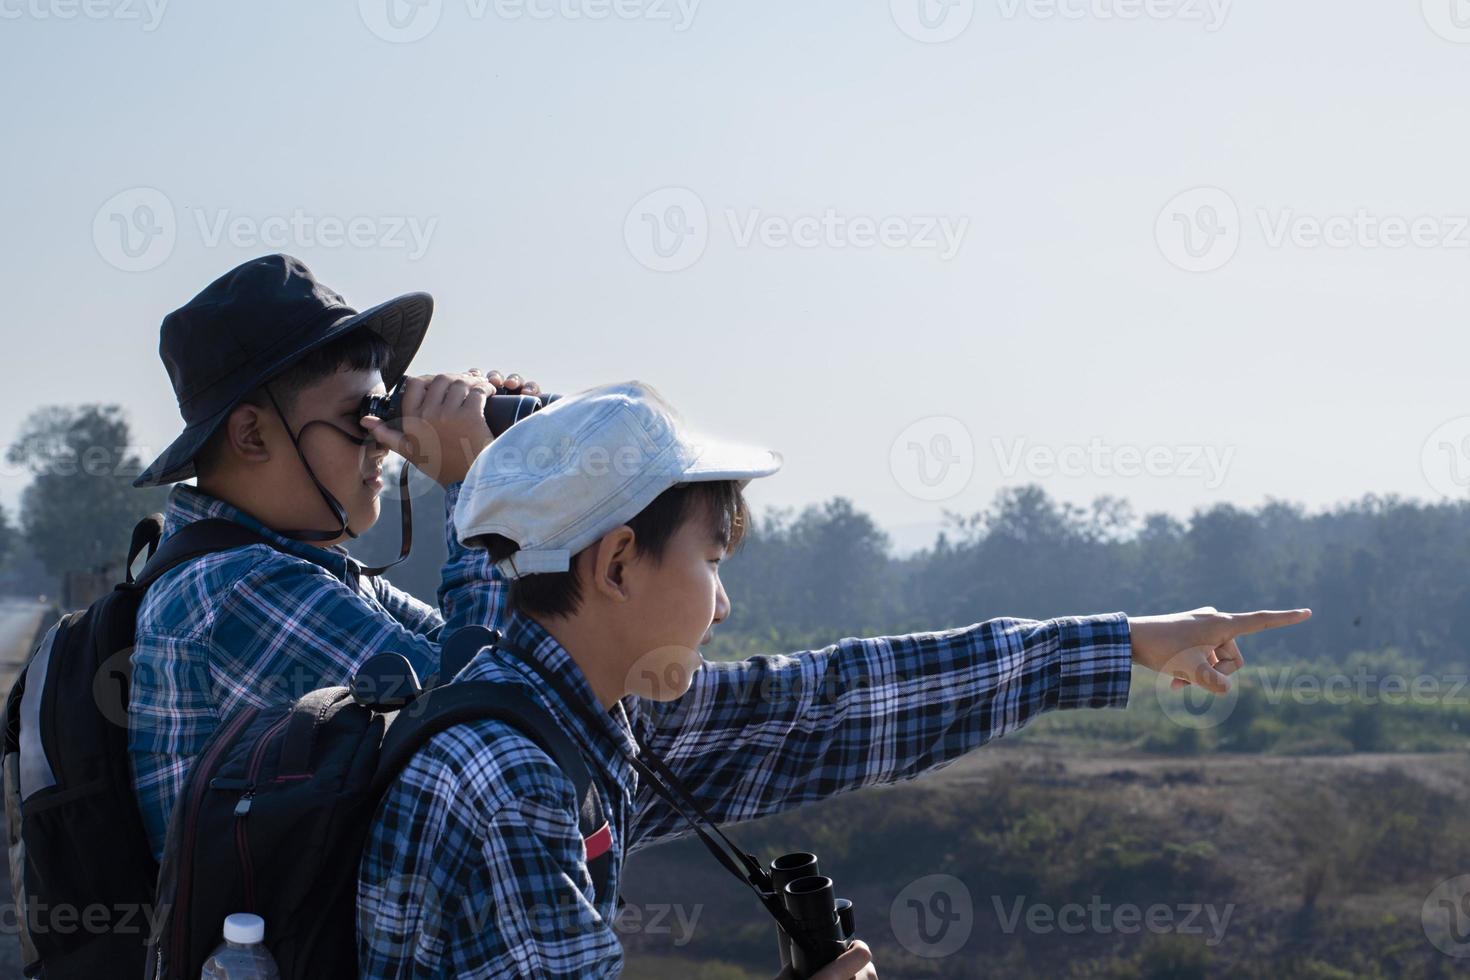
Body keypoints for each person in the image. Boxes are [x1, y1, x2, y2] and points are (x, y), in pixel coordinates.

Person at [356, 380, 1311, 978]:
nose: (722, 607)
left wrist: (1129, 641)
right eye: (714, 559)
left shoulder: (532, 693)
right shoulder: (516, 782)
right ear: (612, 566)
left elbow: (833, 706)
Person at [127, 252, 529, 857]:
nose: (384, 442)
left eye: (384, 411)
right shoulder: (237, 590)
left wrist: (511, 463)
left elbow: (522, 662)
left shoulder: (307, 573)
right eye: (359, 416)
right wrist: (476, 489)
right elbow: (500, 714)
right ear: (253, 435)